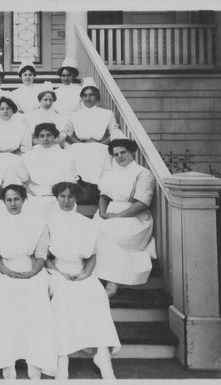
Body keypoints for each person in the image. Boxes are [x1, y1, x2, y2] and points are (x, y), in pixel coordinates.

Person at [46, 182, 120, 379]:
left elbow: (92, 254)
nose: (66, 201)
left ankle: (103, 357)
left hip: (81, 272)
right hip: (57, 272)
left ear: (76, 198)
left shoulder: (86, 223)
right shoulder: (49, 222)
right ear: (57, 198)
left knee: (96, 294)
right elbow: (43, 257)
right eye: (62, 196)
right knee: (61, 298)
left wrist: (85, 274)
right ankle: (62, 359)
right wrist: (59, 274)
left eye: (70, 197)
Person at [0, 184, 56, 379]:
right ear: (3, 202)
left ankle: (35, 361)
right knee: (3, 302)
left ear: (24, 200)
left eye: (16, 199)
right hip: (3, 271)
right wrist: (6, 271)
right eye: (8, 200)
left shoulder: (37, 223)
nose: (13, 203)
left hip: (31, 269)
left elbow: (41, 252)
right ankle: (7, 362)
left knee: (35, 303)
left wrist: (33, 271)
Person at [94, 139, 156, 298]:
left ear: (131, 152)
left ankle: (114, 281)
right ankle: (96, 277)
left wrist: (117, 216)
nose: (120, 157)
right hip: (110, 213)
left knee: (110, 235)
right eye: (116, 154)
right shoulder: (111, 173)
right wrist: (102, 212)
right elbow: (104, 196)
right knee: (94, 232)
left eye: (123, 152)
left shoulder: (142, 173)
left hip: (133, 216)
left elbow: (142, 203)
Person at [65, 77, 126, 184]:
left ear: (97, 97)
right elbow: (68, 134)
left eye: (91, 95)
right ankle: (80, 183)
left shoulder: (107, 113)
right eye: (85, 95)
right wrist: (82, 144)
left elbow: (114, 132)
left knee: (103, 152)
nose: (88, 98)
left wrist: (100, 143)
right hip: (79, 145)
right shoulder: (74, 115)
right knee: (73, 151)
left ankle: (99, 185)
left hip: (100, 145)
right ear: (81, 98)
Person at [16, 122, 77, 217]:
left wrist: (61, 197)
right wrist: (34, 197)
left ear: (55, 136)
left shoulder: (66, 156)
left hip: (60, 197)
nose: (45, 139)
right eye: (42, 136)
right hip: (34, 196)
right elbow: (22, 182)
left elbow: (72, 181)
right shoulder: (28, 157)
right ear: (37, 138)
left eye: (49, 135)